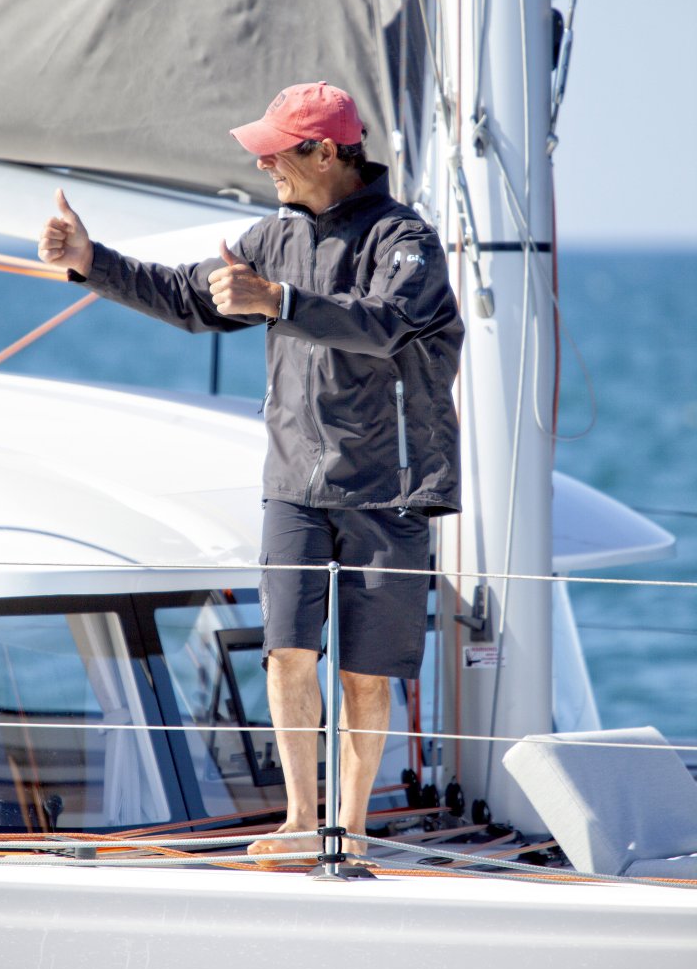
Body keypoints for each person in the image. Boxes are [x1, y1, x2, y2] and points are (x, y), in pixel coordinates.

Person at [38, 81, 464, 860]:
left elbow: (385, 325)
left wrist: (281, 301)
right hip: (293, 485)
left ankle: (354, 829)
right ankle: (304, 822)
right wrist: (89, 261)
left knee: (367, 675)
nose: (264, 163)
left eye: (275, 151)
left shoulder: (407, 240)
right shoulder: (273, 237)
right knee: (288, 651)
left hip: (389, 489)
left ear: (326, 151)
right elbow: (186, 295)